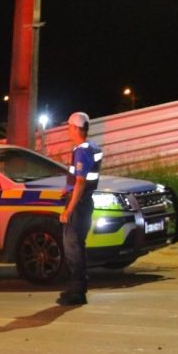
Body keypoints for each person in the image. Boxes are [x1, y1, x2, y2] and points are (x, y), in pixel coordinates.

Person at [57, 112, 102, 306]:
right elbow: (79, 180)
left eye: (68, 126)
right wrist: (67, 189)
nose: (67, 130)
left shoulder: (82, 150)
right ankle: (77, 288)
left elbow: (81, 182)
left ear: (76, 128)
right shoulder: (92, 147)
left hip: (79, 204)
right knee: (78, 246)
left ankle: (77, 292)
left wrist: (69, 209)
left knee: (72, 247)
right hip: (85, 202)